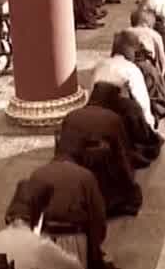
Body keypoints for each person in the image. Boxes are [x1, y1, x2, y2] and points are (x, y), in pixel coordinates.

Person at [26, 156, 119, 269]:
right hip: (75, 242)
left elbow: (31, 216)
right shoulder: (85, 176)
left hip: (45, 242)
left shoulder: (37, 174)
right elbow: (98, 217)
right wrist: (95, 249)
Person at [60, 83, 146, 215]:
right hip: (102, 178)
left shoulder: (71, 116)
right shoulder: (112, 118)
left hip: (73, 175)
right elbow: (121, 153)